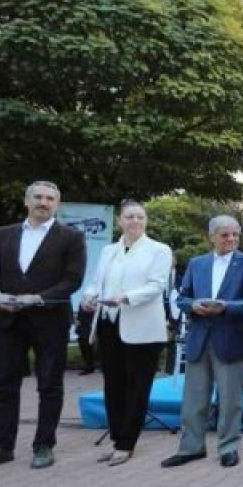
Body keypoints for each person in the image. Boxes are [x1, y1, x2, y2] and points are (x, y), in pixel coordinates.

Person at [0, 181, 86, 472]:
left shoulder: (71, 237)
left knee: (49, 385)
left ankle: (44, 445)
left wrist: (40, 298)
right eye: (38, 197)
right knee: (3, 385)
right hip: (6, 321)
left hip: (50, 322)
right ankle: (1, 447)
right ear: (26, 201)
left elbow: (73, 280)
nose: (43, 202)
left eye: (50, 199)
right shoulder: (3, 234)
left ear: (57, 205)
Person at [161, 216, 243, 469]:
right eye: (225, 235)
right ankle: (191, 448)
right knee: (194, 400)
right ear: (212, 237)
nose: (231, 239)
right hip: (200, 338)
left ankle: (228, 447)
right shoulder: (198, 264)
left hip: (233, 339)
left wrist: (225, 308)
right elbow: (183, 298)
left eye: (235, 235)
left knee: (231, 400)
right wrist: (193, 305)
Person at [81, 199, 174, 466]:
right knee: (113, 386)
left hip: (142, 328)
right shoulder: (109, 250)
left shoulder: (159, 250)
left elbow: (156, 286)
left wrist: (126, 297)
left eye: (140, 217)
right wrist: (89, 297)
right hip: (109, 324)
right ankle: (115, 439)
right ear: (120, 220)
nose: (135, 221)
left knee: (137, 387)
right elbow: (97, 282)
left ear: (145, 221)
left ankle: (127, 443)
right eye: (130, 217)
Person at [75, 302, 97, 374]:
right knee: (82, 346)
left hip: (89, 327)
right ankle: (88, 365)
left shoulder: (94, 301)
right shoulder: (82, 302)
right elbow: (80, 313)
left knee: (88, 347)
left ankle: (89, 367)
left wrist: (88, 307)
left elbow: (95, 310)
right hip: (81, 327)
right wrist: (77, 320)